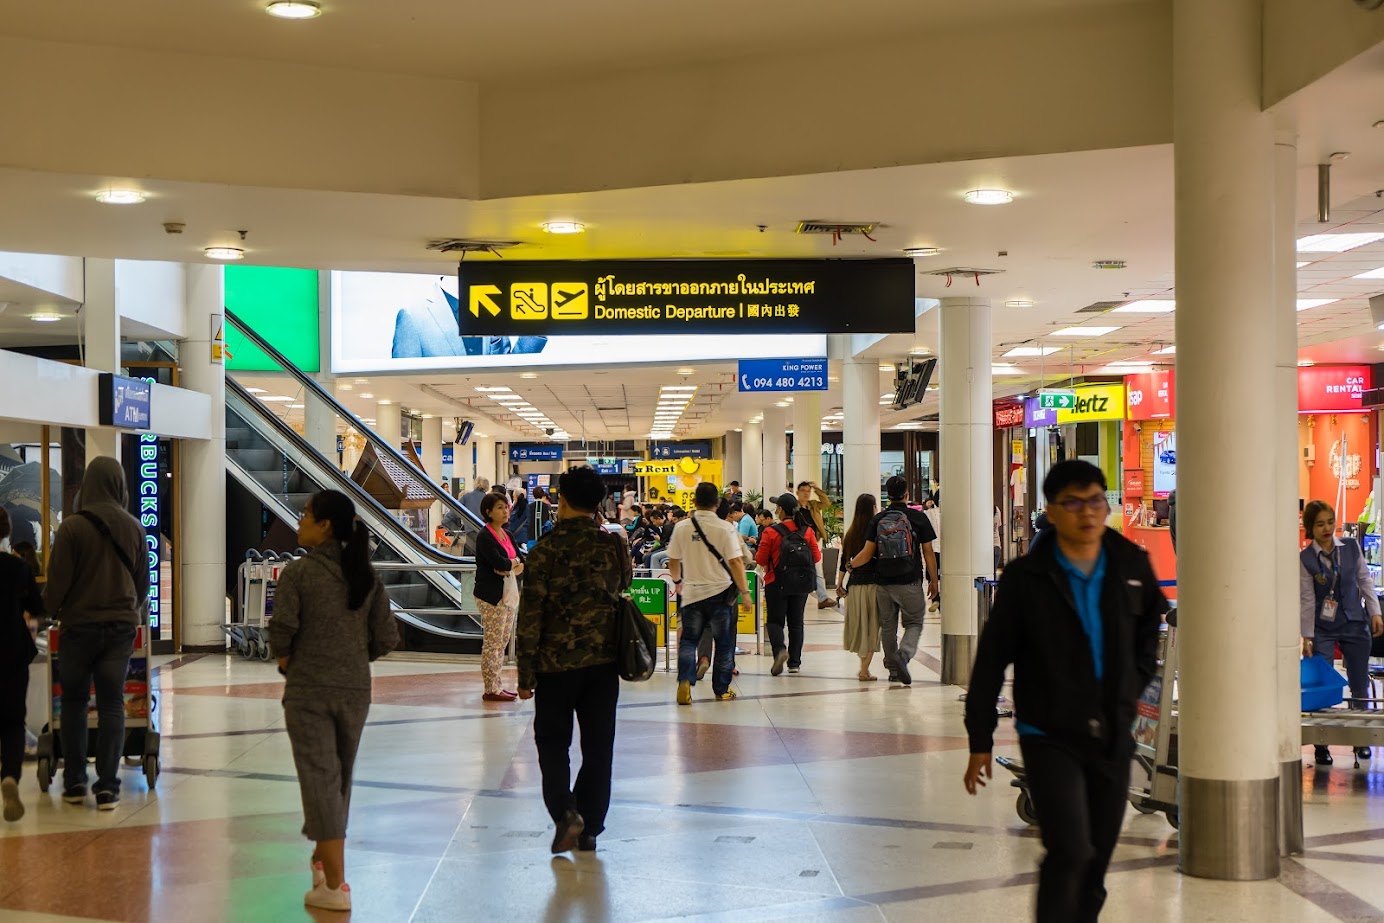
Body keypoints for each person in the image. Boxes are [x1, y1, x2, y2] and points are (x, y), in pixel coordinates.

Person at [962, 460, 1165, 923]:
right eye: (1073, 503)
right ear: (1051, 512)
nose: (1088, 513)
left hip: (1113, 731)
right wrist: (980, 740)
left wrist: (1133, 681)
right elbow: (992, 661)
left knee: (1095, 863)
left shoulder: (1130, 565)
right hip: (1049, 732)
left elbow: (1151, 624)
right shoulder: (1026, 579)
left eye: (1096, 500)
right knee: (1069, 849)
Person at [270, 489, 398, 911]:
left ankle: (336, 885)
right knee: (338, 778)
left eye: (306, 514)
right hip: (355, 690)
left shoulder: (299, 574)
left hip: (309, 689)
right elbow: (387, 637)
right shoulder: (365, 574)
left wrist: (292, 661)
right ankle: (323, 863)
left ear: (325, 524)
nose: (300, 520)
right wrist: (352, 656)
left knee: (320, 779)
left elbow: (282, 632)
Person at [516, 466, 633, 855]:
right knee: (599, 746)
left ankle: (566, 812)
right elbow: (625, 586)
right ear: (598, 502)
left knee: (552, 743)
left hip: (554, 665)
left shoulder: (544, 550)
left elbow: (530, 614)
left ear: (561, 500)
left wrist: (525, 672)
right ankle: (591, 828)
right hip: (603, 664)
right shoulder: (614, 546)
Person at [43, 457, 148, 811]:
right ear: (120, 485)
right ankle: (108, 788)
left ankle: (74, 782)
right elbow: (142, 587)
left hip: (77, 629)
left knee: (73, 704)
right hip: (119, 630)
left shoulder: (71, 528)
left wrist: (47, 612)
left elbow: (57, 586)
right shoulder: (135, 528)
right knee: (112, 704)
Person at [1300, 500, 1383, 765]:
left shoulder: (1350, 548)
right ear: (1311, 528)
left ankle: (1362, 738)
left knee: (1359, 681)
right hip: (1322, 627)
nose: (1326, 528)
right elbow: (1307, 599)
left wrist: (1375, 612)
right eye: (1320, 524)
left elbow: (1364, 580)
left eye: (1329, 522)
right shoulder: (1305, 558)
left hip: (1354, 622)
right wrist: (1307, 636)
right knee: (1321, 684)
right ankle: (1321, 744)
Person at [848, 475, 937, 686]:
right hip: (910, 581)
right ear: (907, 495)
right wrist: (934, 580)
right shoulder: (918, 518)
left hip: (884, 582)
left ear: (887, 495)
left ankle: (893, 670)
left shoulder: (878, 519)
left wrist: (850, 566)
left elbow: (867, 553)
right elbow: (928, 552)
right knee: (914, 622)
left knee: (888, 627)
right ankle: (904, 655)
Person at [668, 482, 752, 704]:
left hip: (692, 594)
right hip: (720, 594)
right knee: (724, 643)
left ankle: (685, 681)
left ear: (694, 502)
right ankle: (721, 689)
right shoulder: (726, 528)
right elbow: (735, 562)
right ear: (717, 503)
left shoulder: (682, 527)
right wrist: (745, 592)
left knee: (688, 641)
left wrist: (677, 581)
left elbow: (673, 560)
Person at [1, 507, 42, 822]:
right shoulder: (17, 568)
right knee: (13, 721)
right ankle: (10, 776)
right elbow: (37, 607)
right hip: (12, 650)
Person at [756, 494, 822, 675]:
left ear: (782, 510)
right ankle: (794, 663)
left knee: (775, 622)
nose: (776, 510)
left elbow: (761, 559)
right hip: (800, 583)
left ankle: (779, 651)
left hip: (776, 582)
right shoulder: (807, 531)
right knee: (796, 623)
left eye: (777, 507)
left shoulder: (771, 532)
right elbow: (816, 557)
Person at [474, 493, 523, 702]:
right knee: (493, 644)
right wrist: (511, 564)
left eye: (507, 507)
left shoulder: (507, 534)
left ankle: (497, 684)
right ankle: (490, 688)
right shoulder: (484, 536)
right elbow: (500, 563)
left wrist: (510, 564)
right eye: (500, 507)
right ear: (488, 512)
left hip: (508, 594)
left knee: (502, 642)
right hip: (491, 596)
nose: (505, 511)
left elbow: (521, 560)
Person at [837, 493, 881, 682]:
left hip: (854, 587)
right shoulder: (876, 532)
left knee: (859, 626)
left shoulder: (851, 532)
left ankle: (863, 668)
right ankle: (864, 669)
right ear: (872, 508)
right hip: (873, 586)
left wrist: (839, 583)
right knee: (871, 628)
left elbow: (843, 561)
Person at [796, 481, 837, 609]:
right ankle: (799, 595)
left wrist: (817, 489)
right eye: (803, 491)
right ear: (797, 492)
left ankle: (823, 597)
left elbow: (826, 502)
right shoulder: (794, 507)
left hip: (813, 541)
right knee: (799, 569)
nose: (806, 493)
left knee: (817, 569)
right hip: (797, 543)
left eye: (808, 491)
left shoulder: (813, 505)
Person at [923, 497, 942, 612]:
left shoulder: (927, 514)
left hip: (934, 548)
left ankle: (936, 598)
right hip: (943, 549)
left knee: (933, 575)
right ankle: (939, 599)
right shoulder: (951, 512)